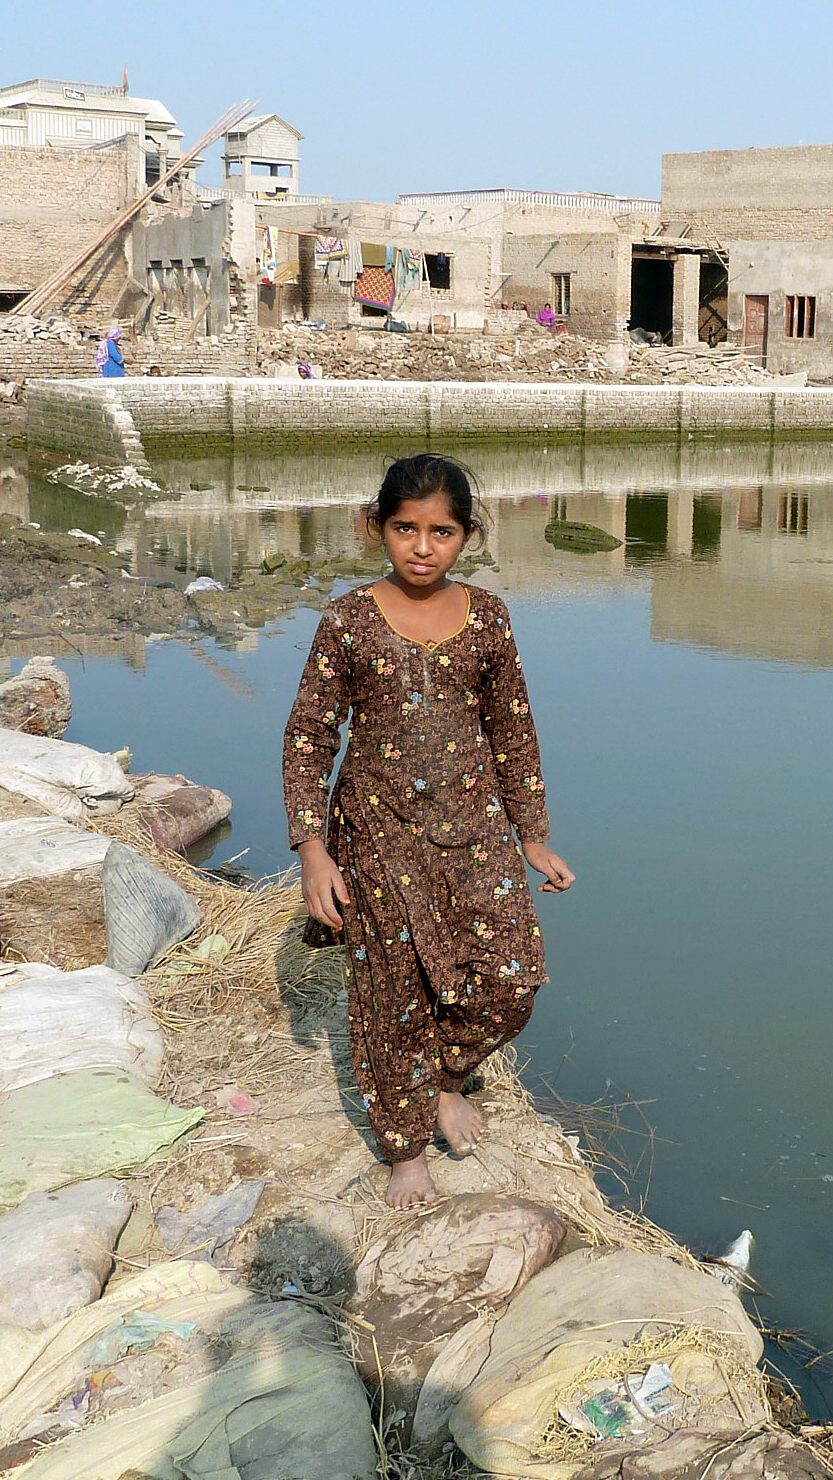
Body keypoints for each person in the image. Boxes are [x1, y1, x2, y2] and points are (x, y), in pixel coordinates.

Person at [284, 454, 575, 1208]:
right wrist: (314, 853)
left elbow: (514, 730)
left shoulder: (489, 619)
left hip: (475, 829)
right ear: (375, 527)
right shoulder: (347, 621)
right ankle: (404, 1144)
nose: (421, 547)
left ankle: (446, 1078)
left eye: (440, 532)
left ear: (466, 536)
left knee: (511, 980)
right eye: (405, 529)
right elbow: (309, 738)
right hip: (378, 832)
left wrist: (532, 834)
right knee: (390, 995)